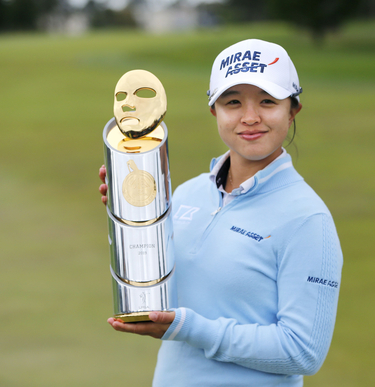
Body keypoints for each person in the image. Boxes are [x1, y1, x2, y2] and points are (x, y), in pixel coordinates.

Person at [99, 39, 343, 386]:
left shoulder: (307, 219)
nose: (250, 117)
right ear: (215, 111)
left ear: (292, 110)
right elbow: (171, 294)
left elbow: (303, 351)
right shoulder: (187, 195)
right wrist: (133, 218)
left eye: (267, 101)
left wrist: (189, 328)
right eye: (233, 102)